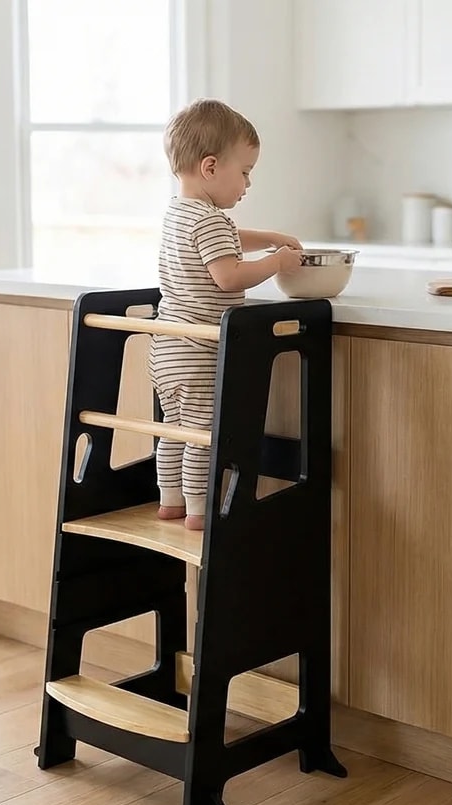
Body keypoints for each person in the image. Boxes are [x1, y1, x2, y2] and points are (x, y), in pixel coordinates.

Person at [150, 98, 302, 530]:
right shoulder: (210, 220)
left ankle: (170, 500)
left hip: (167, 351)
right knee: (203, 435)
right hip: (199, 353)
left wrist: (270, 237)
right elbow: (229, 276)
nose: (248, 184)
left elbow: (228, 239)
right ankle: (199, 510)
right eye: (246, 172)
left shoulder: (180, 214)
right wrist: (277, 263)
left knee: (174, 430)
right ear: (211, 167)